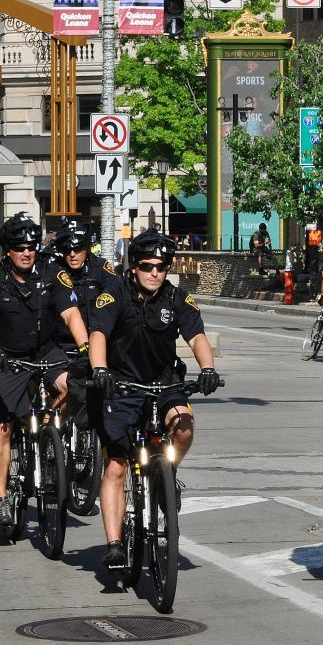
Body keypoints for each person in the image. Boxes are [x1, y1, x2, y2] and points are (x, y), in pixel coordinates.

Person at [88, 230, 220, 569]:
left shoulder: (177, 299)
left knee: (185, 426)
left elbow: (198, 337)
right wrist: (100, 369)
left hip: (163, 383)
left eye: (161, 267)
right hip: (121, 385)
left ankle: (166, 475)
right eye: (147, 266)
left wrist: (207, 367)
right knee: (117, 464)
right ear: (134, 267)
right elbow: (98, 334)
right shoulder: (114, 294)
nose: (154, 273)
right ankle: (115, 543)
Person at [0, 212, 90, 528]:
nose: (27, 252)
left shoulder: (53, 273)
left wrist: (84, 348)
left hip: (46, 352)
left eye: (32, 246)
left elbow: (71, 314)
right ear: (8, 250)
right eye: (20, 247)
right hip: (7, 357)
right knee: (3, 429)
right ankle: (0, 498)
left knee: (73, 385)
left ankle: (50, 426)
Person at [46, 220, 119, 434]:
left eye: (78, 249)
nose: (73, 254)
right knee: (67, 389)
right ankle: (48, 432)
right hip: (59, 346)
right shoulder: (52, 270)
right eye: (67, 250)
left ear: (87, 248)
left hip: (94, 345)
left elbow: (117, 292)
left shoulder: (100, 268)